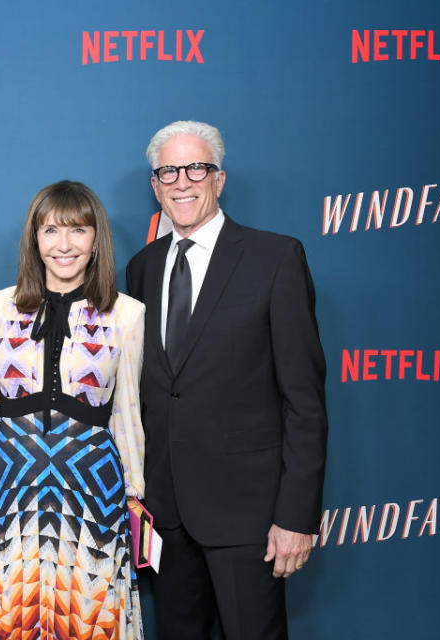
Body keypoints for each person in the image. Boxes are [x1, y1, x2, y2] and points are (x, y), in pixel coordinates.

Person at [125, 120, 328, 640]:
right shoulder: (141, 268)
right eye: (167, 171)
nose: (181, 181)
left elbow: (303, 400)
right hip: (167, 516)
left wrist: (296, 517)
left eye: (196, 168)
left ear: (219, 178)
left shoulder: (274, 258)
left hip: (250, 518)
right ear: (154, 185)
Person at [0, 180, 145, 639]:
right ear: (34, 239)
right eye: (50, 231)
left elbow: (127, 411)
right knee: (12, 613)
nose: (63, 245)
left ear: (96, 240)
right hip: (11, 484)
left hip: (92, 484)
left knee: (88, 615)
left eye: (78, 231)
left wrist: (135, 493)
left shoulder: (126, 313)